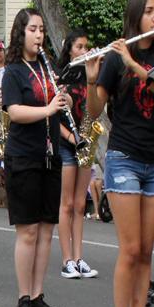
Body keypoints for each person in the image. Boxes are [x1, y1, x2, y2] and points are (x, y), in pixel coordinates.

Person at [86, 0, 154, 307]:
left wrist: (130, 61)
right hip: (124, 159)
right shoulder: (115, 58)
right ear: (136, 16)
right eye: (149, 11)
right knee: (131, 249)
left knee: (147, 252)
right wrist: (93, 78)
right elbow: (94, 110)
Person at [0, 7, 66, 307]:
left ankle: (39, 293)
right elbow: (14, 112)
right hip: (24, 156)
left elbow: (53, 106)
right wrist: (49, 109)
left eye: (41, 29)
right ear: (21, 33)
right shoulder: (13, 70)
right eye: (33, 30)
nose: (39, 35)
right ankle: (23, 295)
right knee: (27, 231)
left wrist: (60, 102)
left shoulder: (46, 66)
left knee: (46, 230)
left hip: (51, 156)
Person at [54, 28, 100, 281]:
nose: (84, 51)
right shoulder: (63, 77)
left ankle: (79, 257)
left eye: (86, 46)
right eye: (79, 47)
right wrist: (72, 138)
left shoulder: (89, 77)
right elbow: (54, 116)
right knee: (67, 203)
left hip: (85, 142)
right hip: (67, 144)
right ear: (70, 49)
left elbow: (95, 108)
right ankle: (66, 259)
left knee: (81, 204)